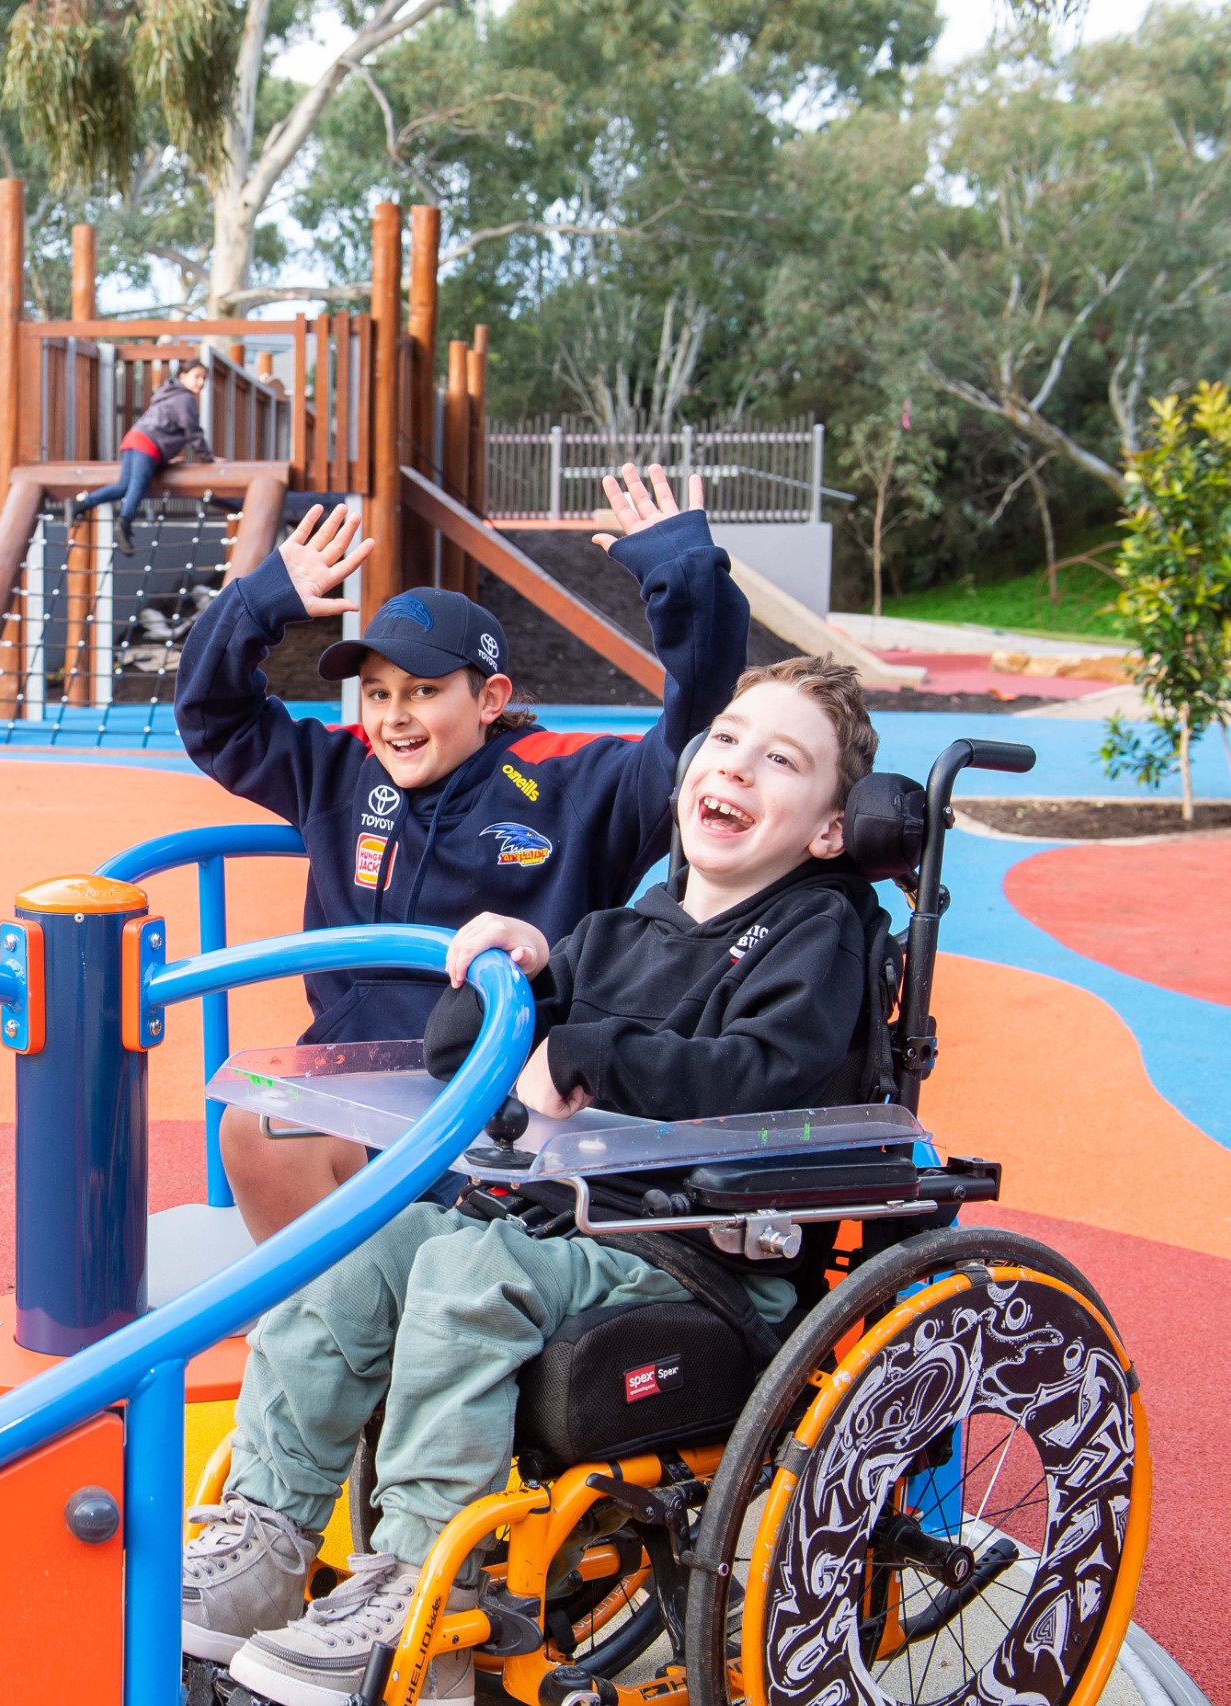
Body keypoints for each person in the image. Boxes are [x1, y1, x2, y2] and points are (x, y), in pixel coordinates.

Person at [184, 657, 891, 1706]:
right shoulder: (621, 928)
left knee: (470, 1268)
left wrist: (592, 1048)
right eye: (728, 739)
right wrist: (511, 970)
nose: (736, 765)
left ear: (829, 828)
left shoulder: (820, 930)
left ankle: (422, 1584)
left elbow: (767, 1071)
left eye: (781, 759)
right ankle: (266, 1532)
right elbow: (453, 1044)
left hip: (706, 1263)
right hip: (572, 1231)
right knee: (360, 1247)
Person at [175, 467, 749, 1242]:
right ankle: (343, 1341)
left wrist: (685, 580)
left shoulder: (569, 784)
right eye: (377, 693)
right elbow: (215, 721)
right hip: (363, 1085)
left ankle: (425, 1324)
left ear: (488, 698)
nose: (394, 717)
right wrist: (258, 601)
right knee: (255, 1126)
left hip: (505, 1104)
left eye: (422, 691)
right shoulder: (340, 771)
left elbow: (696, 735)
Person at [75, 361, 213, 547]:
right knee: (138, 484)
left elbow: (165, 425)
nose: (201, 382)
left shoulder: (167, 394)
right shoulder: (185, 398)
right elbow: (192, 431)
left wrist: (164, 458)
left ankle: (81, 504)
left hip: (134, 437)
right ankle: (124, 522)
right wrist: (208, 458)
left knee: (124, 485)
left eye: (204, 378)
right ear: (182, 376)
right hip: (148, 443)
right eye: (196, 376)